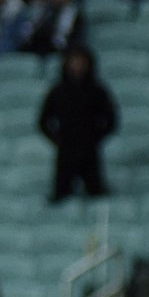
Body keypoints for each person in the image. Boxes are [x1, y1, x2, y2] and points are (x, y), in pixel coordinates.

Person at [37, 46, 117, 203]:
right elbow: (43, 121)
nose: (77, 66)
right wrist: (58, 140)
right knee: (61, 195)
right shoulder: (57, 91)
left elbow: (111, 119)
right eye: (74, 62)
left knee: (96, 194)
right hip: (66, 149)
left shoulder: (97, 91)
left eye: (81, 62)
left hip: (89, 149)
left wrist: (96, 137)